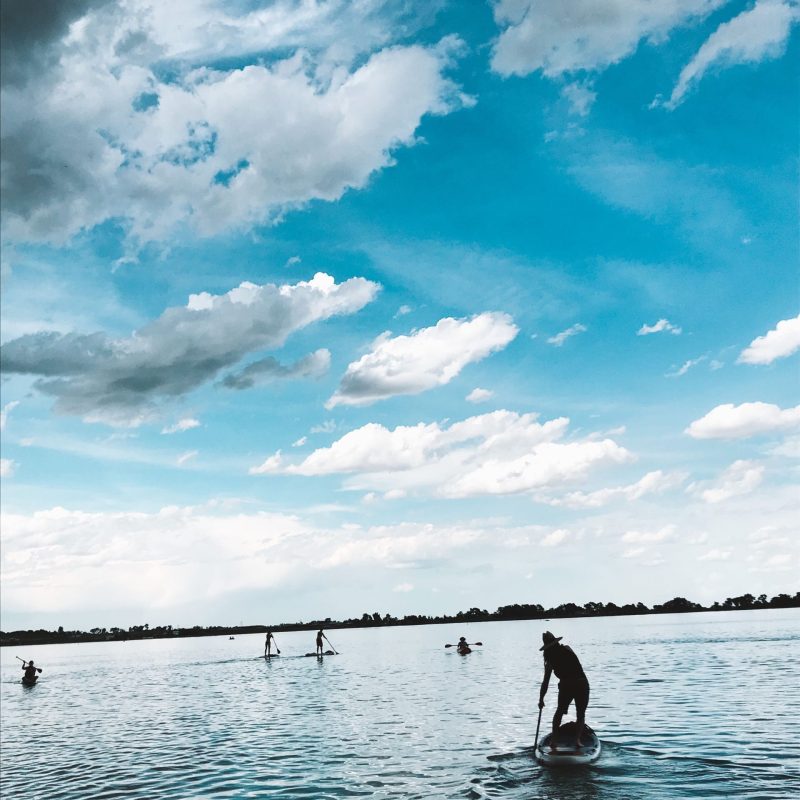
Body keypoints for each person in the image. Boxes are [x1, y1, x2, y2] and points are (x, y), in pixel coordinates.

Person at [537, 631, 590, 752]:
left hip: (575, 683)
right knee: (577, 713)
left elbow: (545, 682)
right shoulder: (564, 650)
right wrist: (541, 698)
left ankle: (556, 740)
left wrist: (541, 699)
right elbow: (546, 682)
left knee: (563, 712)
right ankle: (572, 740)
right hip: (576, 683)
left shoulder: (551, 659)